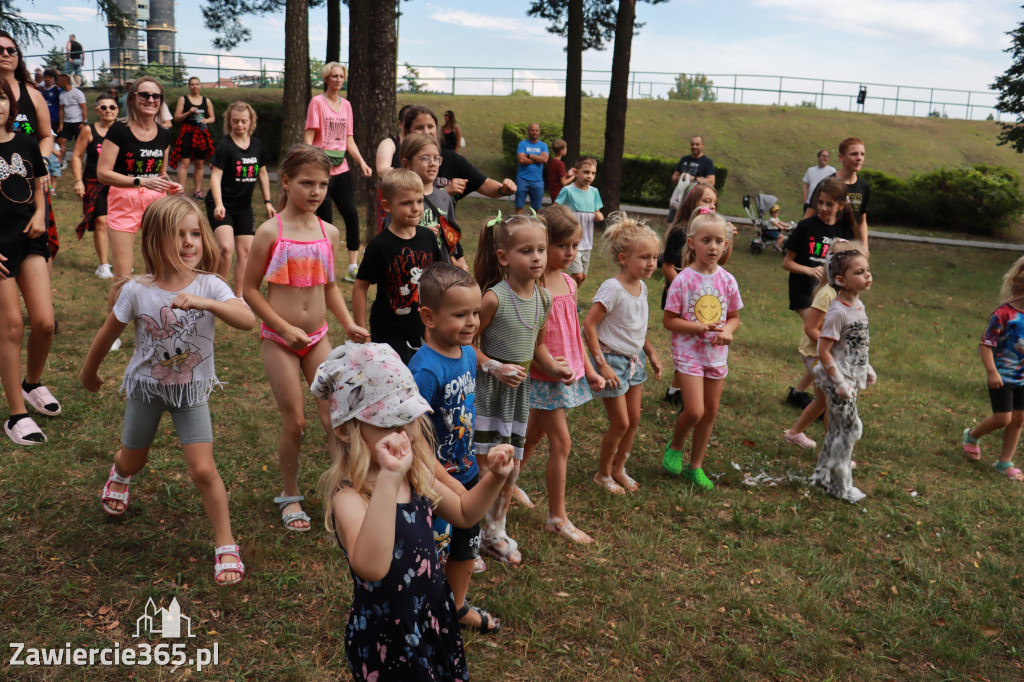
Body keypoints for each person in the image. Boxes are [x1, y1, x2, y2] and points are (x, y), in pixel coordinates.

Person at [316, 342, 516, 681]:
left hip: (431, 615)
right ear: (344, 429)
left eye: (406, 418)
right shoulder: (349, 496)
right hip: (389, 637)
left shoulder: (414, 473)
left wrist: (495, 477)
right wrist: (389, 480)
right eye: (386, 421)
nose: (403, 432)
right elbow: (372, 566)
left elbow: (466, 513)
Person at [81, 196, 255, 586]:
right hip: (145, 390)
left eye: (195, 233)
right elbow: (106, 335)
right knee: (133, 460)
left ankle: (225, 543)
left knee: (203, 469)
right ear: (156, 240)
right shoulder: (137, 291)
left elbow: (246, 318)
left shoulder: (211, 284)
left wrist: (205, 301)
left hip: (191, 392)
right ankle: (121, 474)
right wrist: (89, 372)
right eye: (179, 235)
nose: (190, 242)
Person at [243, 144, 368, 532]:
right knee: (295, 422)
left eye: (323, 184)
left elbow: (329, 287)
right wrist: (282, 328)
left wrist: (348, 323)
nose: (316, 191)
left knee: (336, 420)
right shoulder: (269, 231)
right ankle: (290, 494)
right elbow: (249, 290)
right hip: (280, 339)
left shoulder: (328, 232)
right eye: (306, 183)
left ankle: (342, 490)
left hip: (318, 338)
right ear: (286, 182)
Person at [473, 212, 571, 564]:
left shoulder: (544, 298)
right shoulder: (492, 298)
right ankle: (468, 537)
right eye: (526, 251)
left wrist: (555, 368)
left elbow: (538, 348)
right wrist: (494, 367)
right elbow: (465, 344)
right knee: (484, 468)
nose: (537, 258)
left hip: (519, 394)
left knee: (511, 466)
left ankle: (495, 533)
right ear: (503, 257)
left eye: (541, 250)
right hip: (489, 391)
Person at [409, 263, 502, 635]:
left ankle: (456, 605)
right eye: (460, 314)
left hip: (466, 470)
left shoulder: (465, 352)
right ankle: (424, 614)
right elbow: (413, 435)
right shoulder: (424, 371)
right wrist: (439, 475)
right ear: (429, 317)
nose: (472, 322)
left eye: (476, 313)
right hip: (435, 481)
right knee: (433, 552)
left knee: (467, 548)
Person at [522, 204, 604, 540]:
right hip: (543, 377)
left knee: (533, 435)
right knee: (562, 442)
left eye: (575, 245)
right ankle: (557, 517)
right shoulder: (534, 286)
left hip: (566, 374)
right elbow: (527, 338)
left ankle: (503, 482)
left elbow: (574, 335)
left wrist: (591, 370)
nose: (570, 253)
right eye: (562, 245)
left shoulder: (569, 283)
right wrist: (549, 366)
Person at [661, 208, 742, 490]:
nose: (713, 246)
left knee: (710, 413)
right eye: (706, 240)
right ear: (692, 243)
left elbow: (734, 316)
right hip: (689, 353)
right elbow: (669, 320)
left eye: (719, 241)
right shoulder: (683, 280)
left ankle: (695, 466)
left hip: (716, 355)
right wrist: (697, 328)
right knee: (694, 410)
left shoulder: (727, 280)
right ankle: (675, 446)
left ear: (726, 244)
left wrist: (728, 331)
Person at [583, 213, 663, 493]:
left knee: (635, 420)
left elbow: (636, 329)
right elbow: (589, 325)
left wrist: (650, 353)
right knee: (621, 423)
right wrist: (602, 365)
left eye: (654, 257)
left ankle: (619, 468)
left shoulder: (642, 288)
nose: (651, 263)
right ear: (623, 259)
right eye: (644, 257)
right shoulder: (612, 288)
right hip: (612, 362)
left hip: (634, 361)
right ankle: (603, 473)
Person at [0, 76, 60, 445]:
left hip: (29, 238)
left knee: (44, 322)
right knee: (10, 326)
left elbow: (39, 183)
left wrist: (40, 213)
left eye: (2, 99)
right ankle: (15, 416)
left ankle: (32, 384)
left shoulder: (24, 142)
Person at [97, 76, 180, 315]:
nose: (150, 100)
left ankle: (152, 319)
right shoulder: (119, 130)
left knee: (158, 268)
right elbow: (103, 173)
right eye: (144, 95)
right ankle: (111, 333)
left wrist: (171, 185)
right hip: (123, 201)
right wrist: (139, 181)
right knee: (123, 275)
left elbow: (161, 173)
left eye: (156, 96)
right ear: (133, 99)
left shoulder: (164, 134)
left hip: (156, 203)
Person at [353, 168, 443, 364]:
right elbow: (360, 286)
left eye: (419, 201)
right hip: (388, 334)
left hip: (423, 329)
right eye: (406, 203)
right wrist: (361, 330)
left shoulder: (428, 237)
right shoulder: (380, 246)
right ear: (387, 206)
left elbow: (438, 279)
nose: (416, 208)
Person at [810, 244, 875, 503]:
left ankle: (821, 475)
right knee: (850, 429)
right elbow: (824, 350)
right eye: (860, 272)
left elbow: (853, 344)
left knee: (837, 429)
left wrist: (866, 367)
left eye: (868, 270)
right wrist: (839, 383)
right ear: (840, 280)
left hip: (850, 376)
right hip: (837, 381)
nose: (868, 275)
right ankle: (840, 486)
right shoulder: (837, 311)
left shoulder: (857, 305)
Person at [783, 178, 855, 409]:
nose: (823, 208)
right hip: (804, 292)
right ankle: (818, 398)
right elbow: (787, 262)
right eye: (820, 203)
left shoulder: (844, 230)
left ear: (840, 206)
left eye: (829, 204)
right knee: (823, 339)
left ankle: (798, 392)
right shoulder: (806, 227)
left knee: (823, 344)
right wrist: (808, 269)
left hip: (829, 295)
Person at [305, 62, 372, 281]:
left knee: (351, 215)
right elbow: (309, 137)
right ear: (326, 78)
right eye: (333, 76)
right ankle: (326, 267)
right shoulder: (317, 102)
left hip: (341, 169)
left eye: (341, 76)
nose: (337, 80)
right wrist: (309, 163)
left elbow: (348, 139)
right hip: (321, 172)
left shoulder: (347, 106)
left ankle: (353, 266)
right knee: (326, 221)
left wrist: (361, 162)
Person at [961, 256, 1024, 482]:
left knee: (1018, 420)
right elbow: (986, 344)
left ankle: (1004, 462)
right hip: (1003, 377)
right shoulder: (1003, 314)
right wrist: (992, 372)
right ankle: (972, 435)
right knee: (1003, 419)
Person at [206, 101, 275, 297]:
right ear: (229, 121)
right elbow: (215, 176)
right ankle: (215, 293)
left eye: (244, 121)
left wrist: (268, 202)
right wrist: (218, 204)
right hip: (222, 204)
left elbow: (262, 174)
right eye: (235, 121)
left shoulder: (257, 145)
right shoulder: (225, 145)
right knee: (226, 249)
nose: (240, 125)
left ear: (251, 121)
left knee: (246, 252)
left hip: (243, 206)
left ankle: (238, 297)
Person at [0, 31, 57, 259]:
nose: (5, 54)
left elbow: (46, 135)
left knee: (39, 240)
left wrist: (40, 162)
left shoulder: (32, 94)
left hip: (29, 178)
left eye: (10, 50)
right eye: (0, 50)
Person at [388, 106, 516, 204]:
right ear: (407, 131)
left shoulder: (451, 159)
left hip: (447, 237)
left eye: (430, 126)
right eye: (419, 127)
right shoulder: (400, 161)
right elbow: (404, 205)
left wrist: (502, 189)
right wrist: (445, 193)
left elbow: (484, 184)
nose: (426, 132)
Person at [398, 133, 466, 269]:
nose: (432, 163)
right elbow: (392, 235)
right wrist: (420, 234)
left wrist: (457, 262)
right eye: (425, 158)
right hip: (411, 271)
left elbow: (449, 238)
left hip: (441, 274)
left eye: (436, 158)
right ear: (407, 164)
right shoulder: (400, 199)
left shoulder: (445, 198)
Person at [72, 93, 119, 279]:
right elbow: (76, 155)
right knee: (101, 221)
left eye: (112, 107)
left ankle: (121, 261)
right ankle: (103, 265)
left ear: (117, 110)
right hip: (95, 182)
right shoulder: (89, 131)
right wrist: (77, 181)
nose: (108, 110)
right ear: (97, 111)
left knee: (119, 224)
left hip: (120, 183)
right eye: (103, 107)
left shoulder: (124, 129)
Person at [805, 138, 870, 250]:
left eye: (862, 154)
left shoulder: (864, 186)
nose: (859, 158)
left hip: (850, 245)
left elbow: (862, 221)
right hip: (825, 245)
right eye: (854, 154)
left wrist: (865, 246)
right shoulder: (827, 184)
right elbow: (808, 217)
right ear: (841, 157)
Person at [555, 155, 603, 286]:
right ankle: (563, 294)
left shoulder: (594, 192)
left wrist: (600, 216)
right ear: (576, 172)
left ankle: (571, 299)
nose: (590, 176)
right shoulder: (568, 190)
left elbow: (598, 211)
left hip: (587, 240)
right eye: (586, 172)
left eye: (593, 173)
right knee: (577, 275)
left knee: (583, 277)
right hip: (572, 241)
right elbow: (555, 209)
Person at [171, 77, 215, 200]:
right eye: (192, 84)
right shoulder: (183, 99)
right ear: (188, 86)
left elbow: (212, 118)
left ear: (200, 86)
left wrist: (206, 120)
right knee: (184, 163)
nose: (195, 86)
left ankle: (197, 191)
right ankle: (181, 191)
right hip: (187, 132)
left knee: (200, 164)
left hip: (201, 133)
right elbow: (177, 118)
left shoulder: (206, 101)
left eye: (197, 84)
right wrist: (188, 112)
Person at [667, 135, 715, 222]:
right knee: (671, 222)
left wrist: (693, 178)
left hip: (695, 200)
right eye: (692, 144)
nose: (694, 147)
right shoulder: (684, 159)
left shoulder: (707, 162)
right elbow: (674, 178)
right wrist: (682, 178)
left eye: (697, 144)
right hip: (680, 198)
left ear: (702, 145)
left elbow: (711, 181)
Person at [515, 122, 548, 215]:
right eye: (532, 130)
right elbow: (521, 160)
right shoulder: (522, 144)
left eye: (537, 130)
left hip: (537, 181)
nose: (534, 132)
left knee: (537, 208)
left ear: (539, 132)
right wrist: (538, 158)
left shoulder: (543, 145)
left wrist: (529, 155)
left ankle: (534, 226)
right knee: (519, 206)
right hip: (522, 179)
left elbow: (545, 159)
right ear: (528, 131)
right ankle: (519, 225)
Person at [56, 72, 86, 166]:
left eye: (59, 81)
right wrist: (61, 124)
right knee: (60, 140)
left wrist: (83, 122)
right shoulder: (62, 95)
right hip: (67, 122)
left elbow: (84, 108)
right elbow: (61, 110)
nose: (57, 83)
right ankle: (62, 161)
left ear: (65, 81)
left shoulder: (78, 93)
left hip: (78, 122)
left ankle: (79, 163)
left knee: (79, 144)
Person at [546, 138, 574, 203]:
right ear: (561, 151)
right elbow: (563, 182)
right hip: (559, 194)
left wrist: (568, 175)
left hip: (553, 193)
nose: (566, 150)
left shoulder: (552, 161)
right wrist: (573, 177)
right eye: (565, 148)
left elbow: (557, 178)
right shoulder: (560, 164)